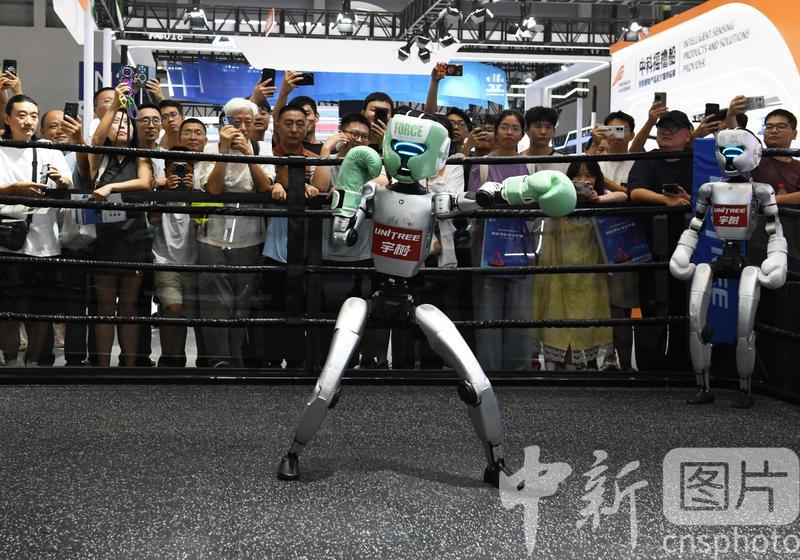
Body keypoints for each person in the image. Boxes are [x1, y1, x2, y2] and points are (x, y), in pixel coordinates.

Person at [195, 97, 275, 368]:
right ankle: (219, 360)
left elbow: (264, 187)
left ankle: (237, 359)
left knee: (242, 303)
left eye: (247, 122)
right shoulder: (209, 149)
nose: (241, 127)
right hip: (211, 237)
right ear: (224, 123)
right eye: (235, 121)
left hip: (249, 237)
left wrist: (250, 156)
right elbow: (213, 189)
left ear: (255, 125)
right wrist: (224, 152)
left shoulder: (263, 148)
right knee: (215, 304)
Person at [0, 94, 72, 367]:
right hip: (7, 243)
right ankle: (11, 362)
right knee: (8, 310)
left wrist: (61, 180)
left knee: (41, 310)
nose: (28, 121)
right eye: (21, 114)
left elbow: (67, 184)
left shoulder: (49, 149)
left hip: (46, 244)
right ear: (7, 118)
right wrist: (13, 190)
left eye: (32, 115)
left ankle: (32, 363)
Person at [533, 161, 627, 369]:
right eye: (577, 176)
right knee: (557, 314)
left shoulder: (600, 201)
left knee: (589, 315)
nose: (583, 181)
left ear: (597, 179)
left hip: (590, 274)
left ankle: (588, 365)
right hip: (558, 273)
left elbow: (623, 195)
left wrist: (597, 199)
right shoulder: (559, 201)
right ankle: (559, 365)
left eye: (589, 176)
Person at [312, 112, 388, 366]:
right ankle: (326, 365)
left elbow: (385, 182)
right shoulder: (330, 162)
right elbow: (321, 188)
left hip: (361, 254)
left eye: (364, 137)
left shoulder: (374, 165)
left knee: (359, 315)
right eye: (353, 134)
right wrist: (325, 149)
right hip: (326, 253)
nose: (358, 140)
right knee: (326, 317)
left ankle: (355, 364)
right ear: (341, 133)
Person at [88, 83, 154, 368]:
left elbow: (145, 183)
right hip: (104, 239)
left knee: (128, 306)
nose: (122, 126)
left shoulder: (141, 156)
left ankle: (127, 366)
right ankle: (101, 366)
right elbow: (95, 140)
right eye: (116, 122)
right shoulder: (98, 157)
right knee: (104, 308)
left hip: (134, 238)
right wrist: (115, 103)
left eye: (127, 122)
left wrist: (112, 186)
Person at [467, 109, 536, 371]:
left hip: (521, 244)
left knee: (520, 309)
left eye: (515, 128)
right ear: (495, 131)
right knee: (487, 311)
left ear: (522, 133)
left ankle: (518, 371)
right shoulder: (482, 163)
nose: (510, 133)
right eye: (505, 127)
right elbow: (472, 200)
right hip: (486, 245)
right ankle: (489, 371)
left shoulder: (530, 163)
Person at [258, 104, 318, 368]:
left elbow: (325, 188)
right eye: (288, 123)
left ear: (307, 127)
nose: (294, 129)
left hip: (307, 249)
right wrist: (277, 183)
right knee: (271, 306)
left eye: (299, 123)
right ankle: (269, 358)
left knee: (302, 307)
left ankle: (296, 359)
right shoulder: (265, 158)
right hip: (272, 248)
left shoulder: (317, 161)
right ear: (277, 126)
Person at [148, 147, 199, 367]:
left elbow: (201, 219)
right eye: (174, 169)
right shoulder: (160, 191)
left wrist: (190, 193)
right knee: (172, 310)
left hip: (194, 262)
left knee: (185, 316)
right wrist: (164, 193)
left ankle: (177, 357)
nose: (178, 174)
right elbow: (153, 218)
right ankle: (170, 358)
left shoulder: (197, 191)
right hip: (164, 260)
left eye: (184, 169)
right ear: (166, 170)